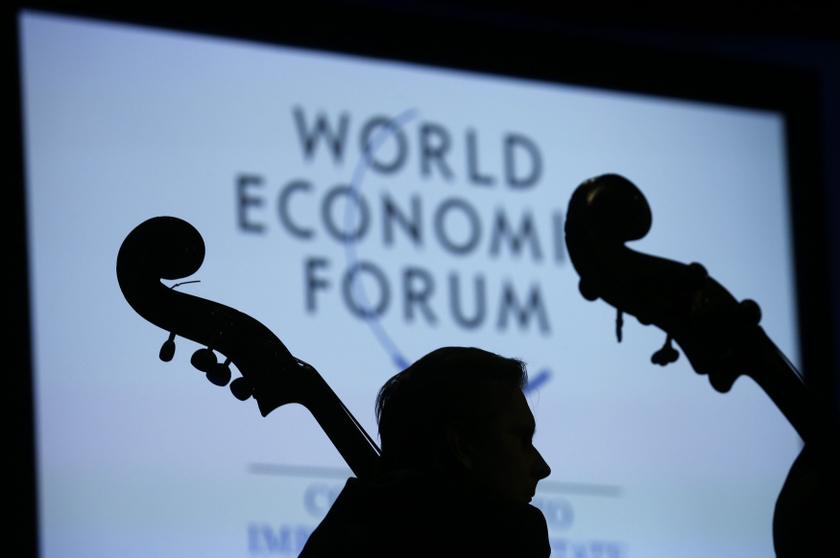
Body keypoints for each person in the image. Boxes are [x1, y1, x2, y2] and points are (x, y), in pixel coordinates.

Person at [298, 346, 553, 557]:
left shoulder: (344, 528)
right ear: (462, 446)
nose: (543, 467)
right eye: (521, 440)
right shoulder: (516, 533)